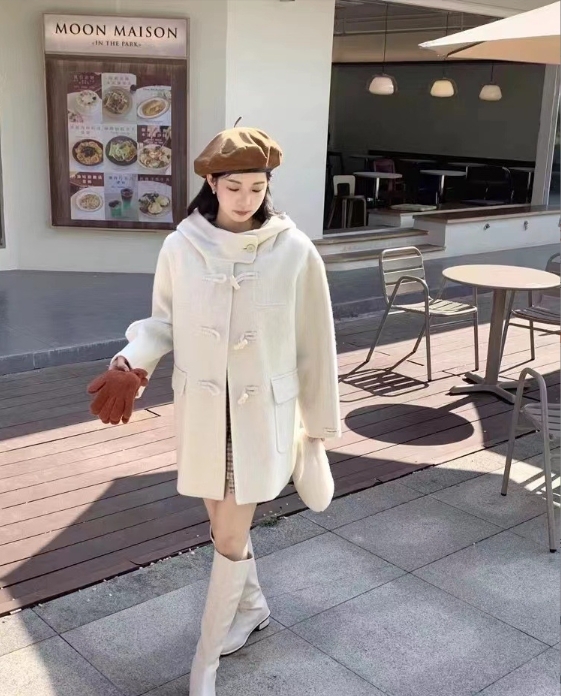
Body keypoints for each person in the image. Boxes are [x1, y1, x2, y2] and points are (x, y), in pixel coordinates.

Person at [87, 127, 341, 695]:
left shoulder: (295, 251)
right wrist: (131, 362)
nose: (246, 198)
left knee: (227, 538)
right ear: (211, 183)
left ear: (268, 185)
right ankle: (252, 609)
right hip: (203, 414)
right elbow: (163, 322)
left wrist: (318, 428)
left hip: (262, 418)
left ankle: (205, 664)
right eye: (234, 187)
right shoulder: (182, 246)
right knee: (223, 529)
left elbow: (315, 344)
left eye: (257, 187)